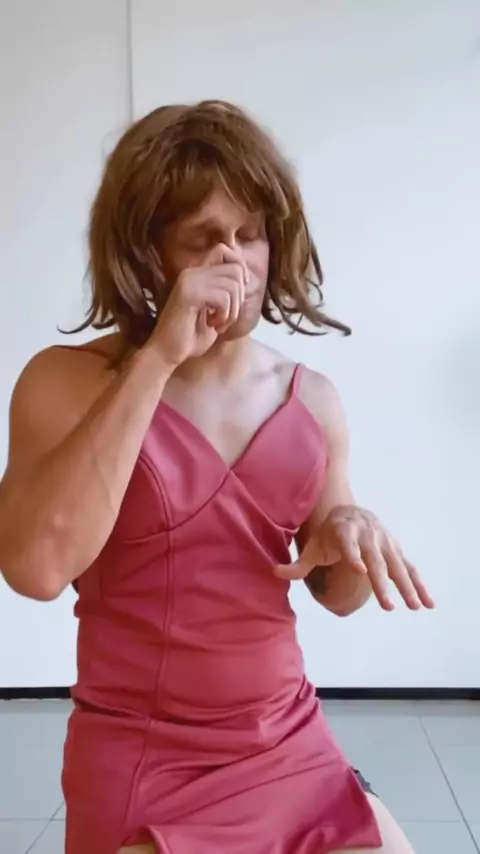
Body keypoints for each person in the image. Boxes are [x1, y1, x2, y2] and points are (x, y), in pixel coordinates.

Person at [0, 100, 434, 854]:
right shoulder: (63, 383)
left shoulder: (311, 399)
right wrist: (159, 359)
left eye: (250, 234)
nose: (235, 261)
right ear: (147, 254)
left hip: (286, 740)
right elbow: (35, 569)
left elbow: (338, 595)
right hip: (144, 750)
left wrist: (350, 528)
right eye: (202, 240)